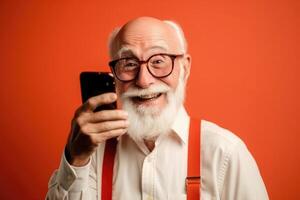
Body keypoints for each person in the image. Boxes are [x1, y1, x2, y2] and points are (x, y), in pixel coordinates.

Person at [46, 16, 269, 200]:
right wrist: (76, 159)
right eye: (129, 64)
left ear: (184, 68)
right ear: (114, 74)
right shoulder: (92, 154)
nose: (143, 81)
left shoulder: (225, 153)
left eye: (159, 61)